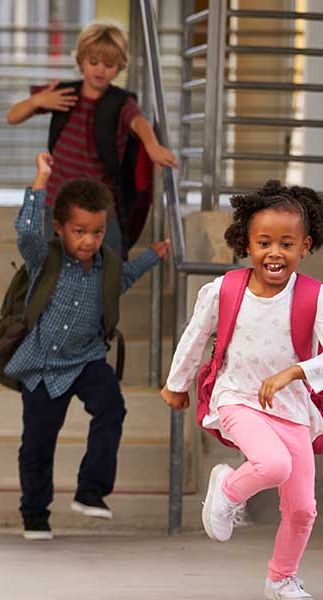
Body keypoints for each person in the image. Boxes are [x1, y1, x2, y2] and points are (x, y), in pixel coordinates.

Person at [163, 181, 323, 600]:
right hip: (237, 397)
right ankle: (228, 488)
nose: (275, 253)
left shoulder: (313, 297)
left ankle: (280, 579)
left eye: (287, 243)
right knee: (272, 464)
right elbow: (196, 336)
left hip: (291, 409)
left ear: (304, 246)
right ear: (245, 244)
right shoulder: (225, 290)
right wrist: (177, 383)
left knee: (303, 509)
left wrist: (295, 372)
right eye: (264, 242)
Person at [9, 152, 168, 540]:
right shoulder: (44, 258)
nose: (88, 240)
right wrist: (40, 181)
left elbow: (124, 279)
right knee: (37, 444)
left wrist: (152, 256)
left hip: (88, 358)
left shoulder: (106, 265)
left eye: (96, 232)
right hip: (44, 365)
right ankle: (34, 513)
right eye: (79, 231)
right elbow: (27, 233)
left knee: (112, 409)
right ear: (61, 227)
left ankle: (91, 490)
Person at [6, 21, 178, 255]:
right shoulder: (62, 93)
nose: (100, 70)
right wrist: (37, 101)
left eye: (109, 65)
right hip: (58, 199)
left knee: (110, 262)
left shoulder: (121, 102)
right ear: (80, 62)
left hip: (100, 204)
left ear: (119, 68)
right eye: (93, 62)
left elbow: (139, 122)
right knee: (51, 263)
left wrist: (153, 146)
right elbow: (12, 116)